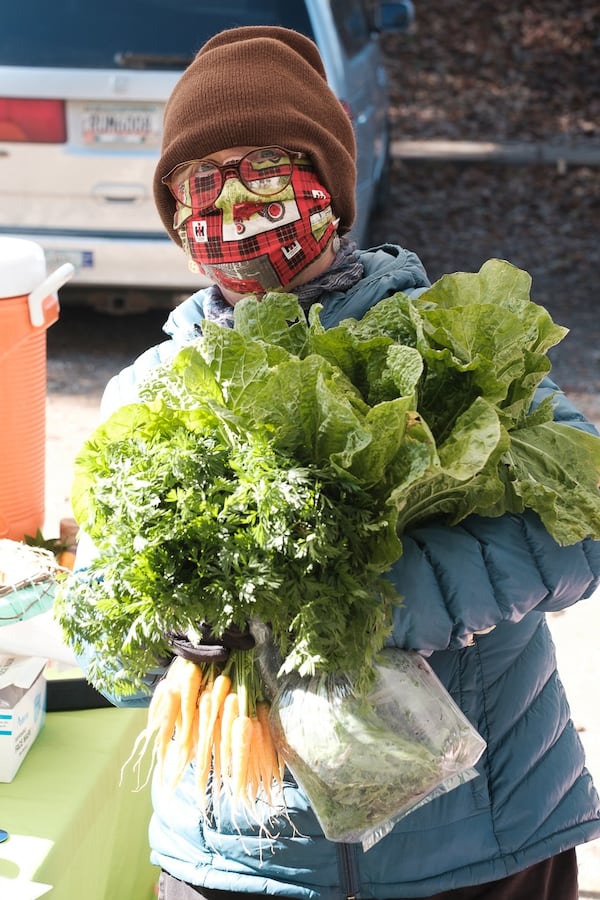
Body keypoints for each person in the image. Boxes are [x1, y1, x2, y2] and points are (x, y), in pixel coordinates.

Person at [72, 25, 600, 900]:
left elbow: (583, 520)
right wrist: (169, 630)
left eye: (265, 166)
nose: (234, 199)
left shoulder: (448, 342)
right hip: (241, 860)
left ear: (325, 184)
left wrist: (374, 606)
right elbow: (101, 630)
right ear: (175, 214)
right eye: (201, 181)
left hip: (483, 845)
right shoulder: (148, 391)